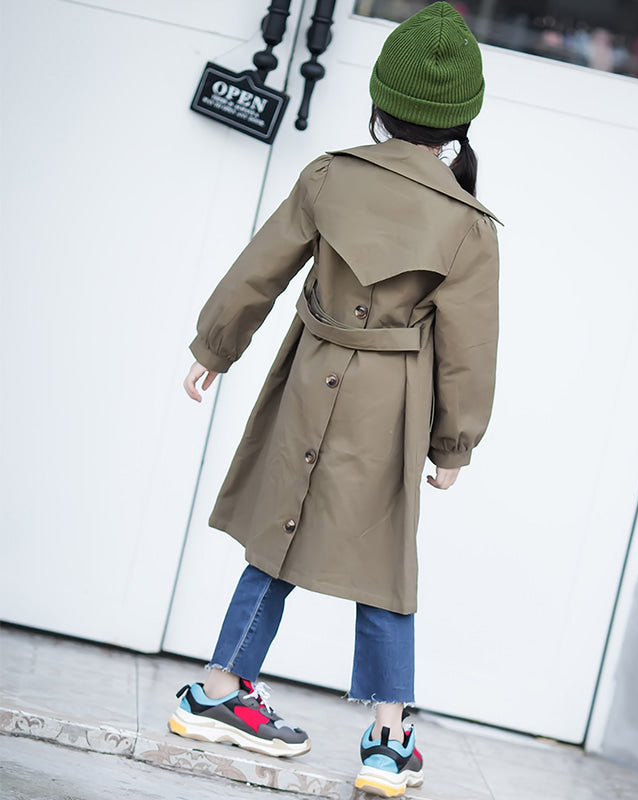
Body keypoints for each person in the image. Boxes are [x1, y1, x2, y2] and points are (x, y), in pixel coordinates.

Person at [168, 3, 499, 796]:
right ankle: (388, 740)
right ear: (459, 124)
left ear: (381, 101)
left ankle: (216, 691)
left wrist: (215, 346)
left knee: (278, 532)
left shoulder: (329, 175)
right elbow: (469, 351)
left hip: (310, 379)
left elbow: (260, 268)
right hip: (392, 405)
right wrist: (453, 445)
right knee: (386, 562)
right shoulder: (469, 225)